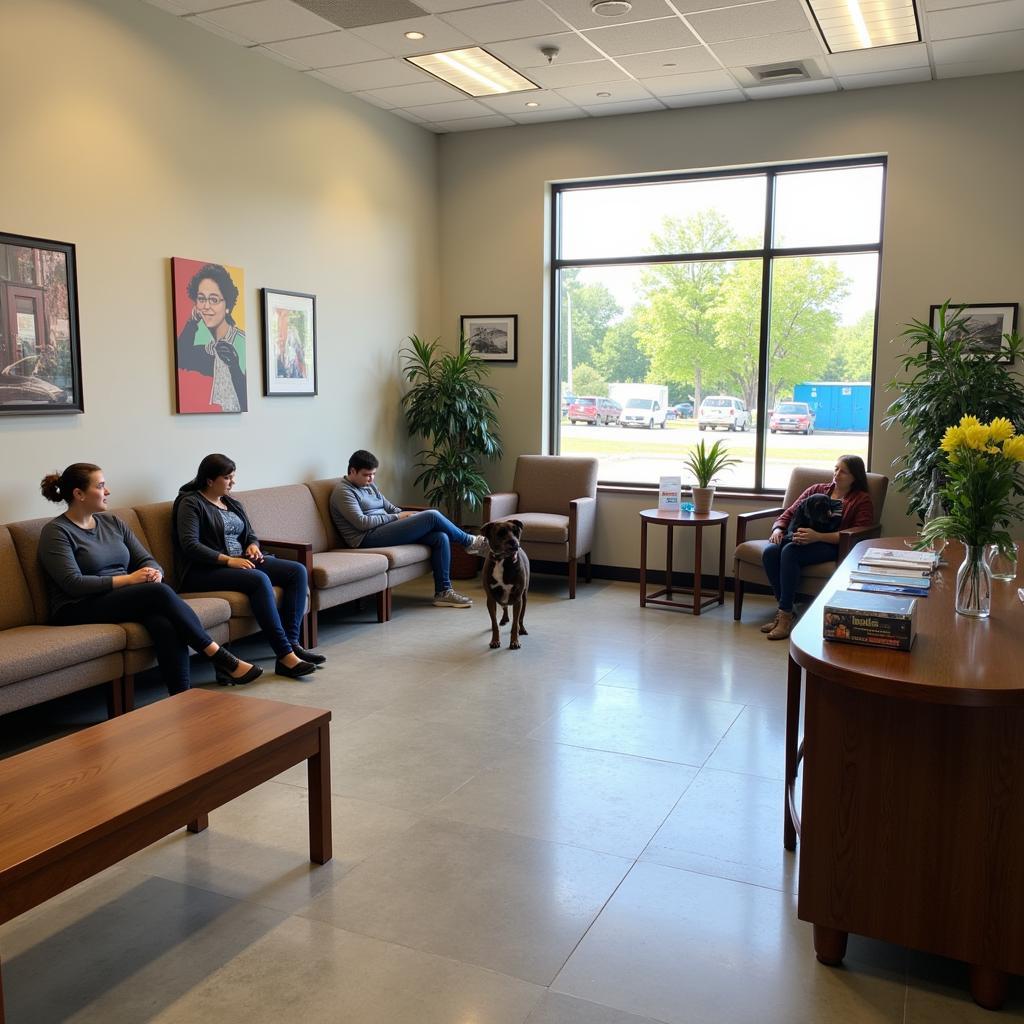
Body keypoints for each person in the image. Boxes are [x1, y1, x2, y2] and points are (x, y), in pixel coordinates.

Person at [38, 463, 262, 694]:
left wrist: (155, 572)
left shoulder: (113, 523)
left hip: (119, 596)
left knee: (163, 623)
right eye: (101, 486)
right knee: (160, 592)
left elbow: (146, 559)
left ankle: (182, 695)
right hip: (77, 606)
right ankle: (219, 656)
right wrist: (131, 580)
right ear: (79, 494)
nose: (108, 492)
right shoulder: (56, 532)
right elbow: (73, 584)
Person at [173, 454, 322, 679]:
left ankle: (292, 644)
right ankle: (284, 655)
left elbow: (250, 533)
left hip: (241, 560)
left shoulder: (231, 502)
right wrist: (228, 560)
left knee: (297, 571)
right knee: (259, 579)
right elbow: (190, 546)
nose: (232, 482)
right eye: (227, 478)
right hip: (204, 570)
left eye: (233, 477)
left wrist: (252, 545)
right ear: (209, 480)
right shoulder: (191, 503)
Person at [329, 450, 489, 608]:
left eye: (373, 474)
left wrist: (407, 516)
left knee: (440, 537)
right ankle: (469, 542)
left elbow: (389, 507)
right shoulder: (343, 492)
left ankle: (443, 592)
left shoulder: (370, 486)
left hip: (385, 529)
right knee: (432, 515)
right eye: (367, 475)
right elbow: (361, 523)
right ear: (352, 471)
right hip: (366, 538)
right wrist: (398, 517)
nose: (371, 479)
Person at [760, 455, 874, 641]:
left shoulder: (861, 500)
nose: (837, 474)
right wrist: (778, 528)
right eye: (835, 468)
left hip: (832, 545)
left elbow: (858, 534)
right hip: (801, 539)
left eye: (843, 471)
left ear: (855, 476)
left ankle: (786, 616)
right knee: (770, 551)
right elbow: (789, 512)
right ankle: (787, 610)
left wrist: (818, 537)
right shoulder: (817, 489)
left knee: (790, 552)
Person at [176, 263, 247, 412]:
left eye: (214, 300)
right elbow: (181, 360)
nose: (206, 306)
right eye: (201, 299)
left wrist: (234, 366)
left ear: (227, 306)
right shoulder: (199, 336)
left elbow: (246, 397)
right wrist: (191, 322)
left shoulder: (242, 342)